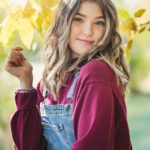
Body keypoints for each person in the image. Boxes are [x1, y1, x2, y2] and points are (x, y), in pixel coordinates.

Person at [4, 0, 132, 149]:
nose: (88, 31)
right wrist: (25, 82)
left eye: (99, 23)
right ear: (63, 22)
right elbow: (27, 146)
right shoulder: (50, 82)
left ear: (107, 29)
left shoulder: (96, 73)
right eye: (78, 19)